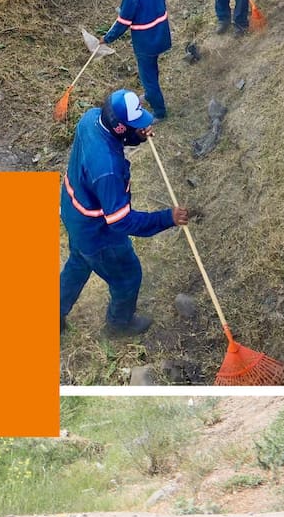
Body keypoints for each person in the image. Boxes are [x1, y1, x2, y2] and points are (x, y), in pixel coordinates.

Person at [60, 89, 190, 337]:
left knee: (78, 262)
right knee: (127, 276)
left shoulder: (90, 118)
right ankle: (119, 325)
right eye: (136, 124)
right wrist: (167, 218)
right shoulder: (108, 169)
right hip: (98, 231)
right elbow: (121, 221)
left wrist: (137, 136)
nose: (144, 126)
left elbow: (114, 137)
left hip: (74, 211)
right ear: (120, 127)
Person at [101, 0, 171, 120]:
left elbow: (122, 24)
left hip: (146, 42)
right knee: (152, 70)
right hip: (161, 34)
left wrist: (107, 38)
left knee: (148, 77)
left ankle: (159, 112)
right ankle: (149, 95)